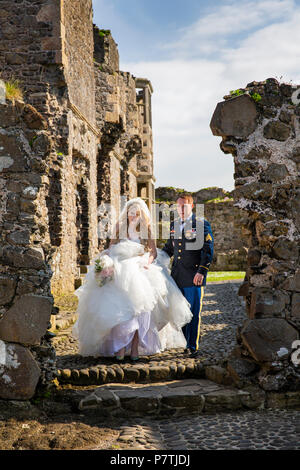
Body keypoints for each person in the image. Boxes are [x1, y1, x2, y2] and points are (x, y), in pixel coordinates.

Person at [72, 197, 193, 362]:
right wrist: (106, 263)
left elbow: (153, 252)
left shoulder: (146, 229)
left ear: (141, 214)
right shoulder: (119, 227)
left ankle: (135, 347)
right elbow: (110, 248)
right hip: (121, 268)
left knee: (141, 310)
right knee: (119, 309)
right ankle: (120, 347)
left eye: (136, 213)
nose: (133, 216)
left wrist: (147, 262)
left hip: (140, 267)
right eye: (130, 213)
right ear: (126, 213)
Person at [162, 193, 214, 358]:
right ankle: (184, 342)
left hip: (193, 275)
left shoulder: (201, 223)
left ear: (191, 206)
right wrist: (153, 259)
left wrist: (202, 271)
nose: (181, 209)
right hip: (177, 276)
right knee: (180, 311)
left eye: (184, 206)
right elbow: (168, 249)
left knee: (193, 312)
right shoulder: (174, 224)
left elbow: (208, 249)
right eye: (178, 206)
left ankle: (192, 345)